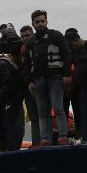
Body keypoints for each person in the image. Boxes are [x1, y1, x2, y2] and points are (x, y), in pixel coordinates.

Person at [23, 10, 71, 146]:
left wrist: (66, 74)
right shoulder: (30, 42)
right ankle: (45, 139)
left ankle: (63, 137)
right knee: (42, 112)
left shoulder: (56, 35)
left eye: (42, 21)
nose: (40, 24)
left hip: (55, 78)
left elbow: (67, 54)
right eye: (37, 22)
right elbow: (26, 63)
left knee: (58, 108)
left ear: (46, 22)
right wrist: (29, 81)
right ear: (33, 24)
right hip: (38, 80)